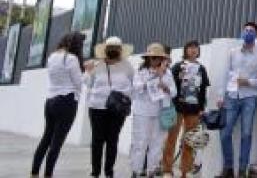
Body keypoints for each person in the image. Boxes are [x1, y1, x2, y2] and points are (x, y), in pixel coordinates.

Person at [217, 21, 257, 178]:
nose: (248, 32)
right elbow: (225, 73)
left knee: (246, 134)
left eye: (251, 30)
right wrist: (221, 95)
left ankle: (242, 170)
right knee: (225, 133)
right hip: (231, 96)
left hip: (249, 98)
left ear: (256, 34)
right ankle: (228, 168)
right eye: (246, 30)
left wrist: (249, 82)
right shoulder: (233, 52)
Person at [30, 32, 85, 178]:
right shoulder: (72, 58)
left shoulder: (52, 56)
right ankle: (48, 174)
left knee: (46, 138)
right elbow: (78, 83)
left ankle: (34, 173)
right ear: (76, 45)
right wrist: (88, 72)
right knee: (56, 143)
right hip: (66, 102)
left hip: (50, 101)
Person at [84, 36, 134, 178]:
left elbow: (134, 85)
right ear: (105, 49)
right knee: (97, 140)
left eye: (116, 48)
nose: (113, 50)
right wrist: (88, 72)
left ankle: (109, 172)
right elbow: (88, 83)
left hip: (117, 109)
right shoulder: (97, 65)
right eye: (110, 48)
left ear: (120, 50)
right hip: (97, 107)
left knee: (112, 140)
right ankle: (95, 172)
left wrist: (126, 97)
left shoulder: (127, 66)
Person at [162, 40, 210, 178]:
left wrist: (201, 108)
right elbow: (170, 86)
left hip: (194, 110)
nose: (193, 50)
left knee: (190, 140)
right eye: (190, 47)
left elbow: (202, 91)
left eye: (196, 48)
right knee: (171, 138)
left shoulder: (202, 69)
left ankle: (185, 171)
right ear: (185, 50)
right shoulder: (178, 66)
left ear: (198, 51)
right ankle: (167, 170)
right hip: (177, 107)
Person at [130, 43, 177, 178]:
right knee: (140, 141)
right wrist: (152, 79)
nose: (155, 60)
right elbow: (135, 88)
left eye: (158, 57)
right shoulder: (141, 71)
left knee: (157, 142)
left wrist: (165, 87)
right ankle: (137, 170)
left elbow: (174, 92)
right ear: (147, 59)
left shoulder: (167, 73)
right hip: (142, 111)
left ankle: (152, 170)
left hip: (160, 112)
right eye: (152, 57)